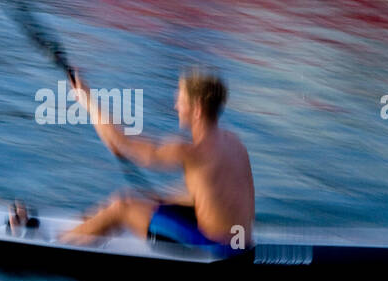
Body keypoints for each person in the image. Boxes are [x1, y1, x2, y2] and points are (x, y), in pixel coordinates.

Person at [60, 69, 255, 255]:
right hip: (241, 243)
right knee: (153, 200)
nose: (176, 106)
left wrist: (88, 101)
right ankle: (85, 228)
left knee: (122, 206)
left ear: (197, 109)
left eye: (181, 100)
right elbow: (213, 193)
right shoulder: (234, 143)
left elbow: (121, 143)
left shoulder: (191, 151)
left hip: (215, 249)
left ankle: (59, 245)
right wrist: (164, 198)